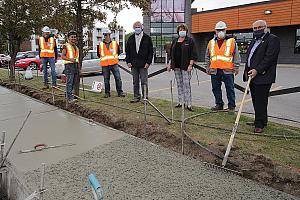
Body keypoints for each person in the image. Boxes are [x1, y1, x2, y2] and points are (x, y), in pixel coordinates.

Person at [243, 20, 280, 133]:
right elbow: (251, 56)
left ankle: (259, 125)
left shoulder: (272, 39)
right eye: (255, 28)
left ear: (265, 27)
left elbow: (269, 58)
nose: (257, 30)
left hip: (263, 76)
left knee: (261, 100)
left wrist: (257, 70)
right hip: (252, 75)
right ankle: (261, 120)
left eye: (259, 27)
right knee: (255, 99)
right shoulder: (254, 40)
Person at [205, 21, 241, 111]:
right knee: (216, 88)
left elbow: (236, 55)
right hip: (215, 70)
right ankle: (219, 104)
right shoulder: (211, 42)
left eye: (222, 30)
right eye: (218, 30)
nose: (220, 32)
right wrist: (207, 67)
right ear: (215, 31)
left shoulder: (232, 41)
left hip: (227, 70)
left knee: (230, 89)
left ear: (225, 30)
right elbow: (207, 56)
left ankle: (231, 106)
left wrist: (236, 67)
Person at [167, 23, 197, 111]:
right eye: (180, 30)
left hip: (185, 66)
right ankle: (181, 102)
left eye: (183, 30)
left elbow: (193, 54)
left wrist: (190, 65)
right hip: (176, 66)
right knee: (179, 84)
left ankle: (189, 103)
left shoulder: (190, 41)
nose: (182, 31)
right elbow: (171, 54)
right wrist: (169, 64)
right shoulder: (175, 40)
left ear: (186, 31)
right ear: (178, 31)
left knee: (186, 84)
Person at [125, 21, 153, 103]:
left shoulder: (147, 38)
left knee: (144, 82)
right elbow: (128, 51)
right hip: (133, 64)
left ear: (142, 27)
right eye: (136, 27)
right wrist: (128, 61)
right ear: (134, 28)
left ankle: (145, 98)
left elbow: (151, 52)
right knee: (135, 81)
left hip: (144, 64)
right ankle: (136, 97)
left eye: (139, 27)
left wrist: (148, 62)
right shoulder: (130, 39)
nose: (137, 28)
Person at [97, 29, 125, 98]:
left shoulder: (115, 43)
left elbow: (118, 52)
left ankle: (120, 92)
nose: (106, 36)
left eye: (107, 35)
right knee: (106, 80)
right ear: (103, 36)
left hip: (114, 64)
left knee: (118, 78)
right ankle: (107, 93)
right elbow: (99, 54)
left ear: (110, 35)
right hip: (105, 65)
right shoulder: (100, 45)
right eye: (105, 35)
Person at [61, 31, 80, 102]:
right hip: (69, 66)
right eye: (72, 37)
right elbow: (62, 56)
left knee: (73, 82)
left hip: (75, 66)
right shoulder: (66, 46)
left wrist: (78, 67)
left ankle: (68, 96)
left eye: (74, 37)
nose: (73, 38)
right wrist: (70, 59)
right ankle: (69, 98)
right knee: (69, 82)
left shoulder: (76, 47)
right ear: (68, 38)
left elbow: (77, 59)